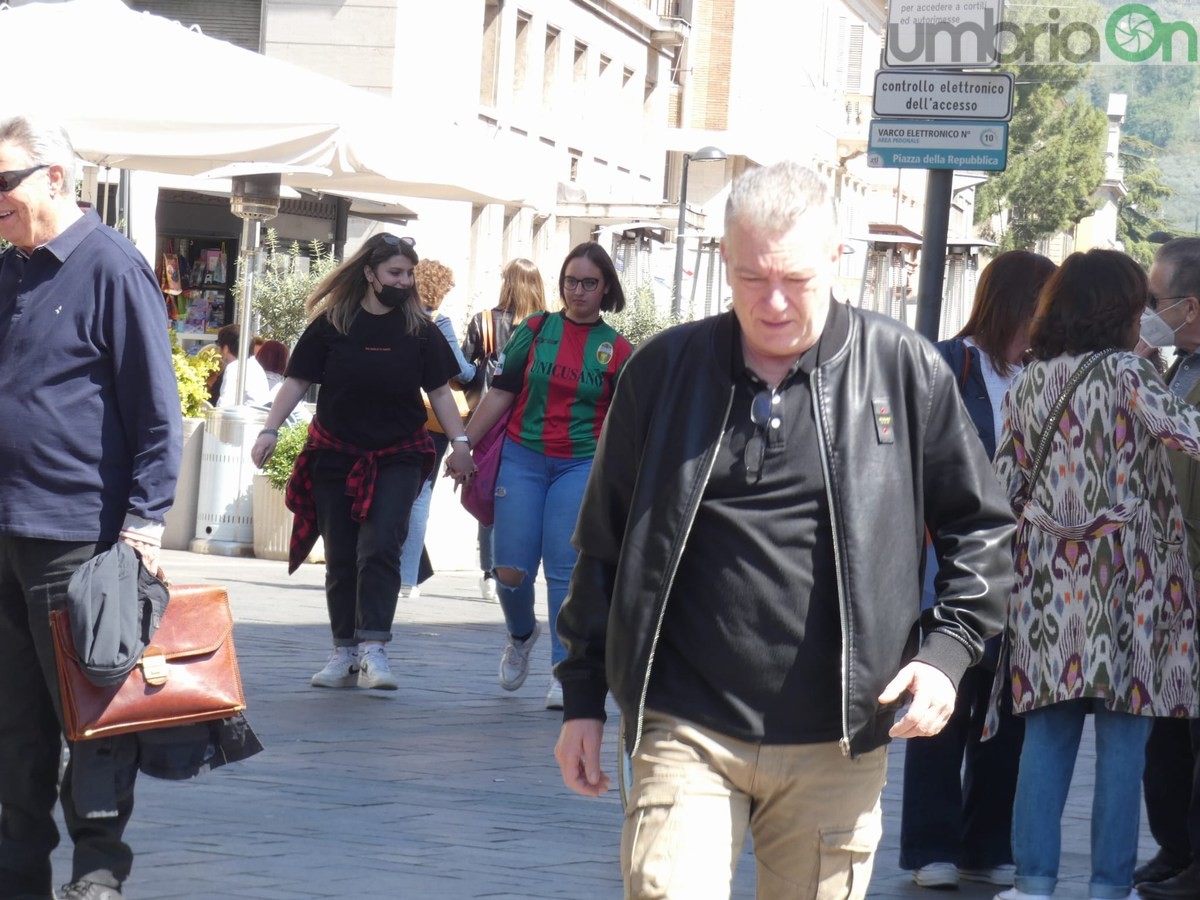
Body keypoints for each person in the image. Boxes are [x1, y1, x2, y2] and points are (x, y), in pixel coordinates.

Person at [551, 161, 1016, 900]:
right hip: (685, 726)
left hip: (840, 738)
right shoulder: (662, 372)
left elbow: (981, 528)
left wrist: (946, 654)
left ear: (838, 258)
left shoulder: (903, 369)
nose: (771, 304)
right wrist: (582, 698)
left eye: (794, 280)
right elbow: (604, 542)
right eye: (749, 278)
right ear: (725, 264)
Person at [0, 117, 182, 900]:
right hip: (7, 532)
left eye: (2, 182)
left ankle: (97, 878)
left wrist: (144, 525)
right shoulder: (11, 269)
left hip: (80, 539)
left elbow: (157, 410)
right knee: (15, 727)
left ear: (54, 178)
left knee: (95, 719)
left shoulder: (113, 267)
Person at [988, 248, 1200, 900]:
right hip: (1131, 593)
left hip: (1048, 590)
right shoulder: (1130, 376)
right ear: (1119, 308)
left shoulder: (1028, 382)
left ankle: (1033, 883)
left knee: (1045, 744)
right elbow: (1191, 435)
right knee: (1122, 754)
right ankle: (1108, 886)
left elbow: (1003, 487)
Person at [250, 233, 472, 693]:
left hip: (400, 453)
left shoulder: (421, 330)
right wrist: (270, 429)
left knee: (381, 543)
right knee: (343, 552)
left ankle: (374, 648)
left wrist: (462, 443)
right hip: (335, 451)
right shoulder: (332, 324)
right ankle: (343, 649)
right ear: (370, 274)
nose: (404, 282)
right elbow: (297, 381)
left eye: (409, 274)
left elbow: (439, 393)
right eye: (395, 273)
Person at [900, 251, 1054, 889]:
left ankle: (985, 842)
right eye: (1043, 306)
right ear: (1016, 304)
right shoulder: (943, 363)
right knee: (944, 690)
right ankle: (930, 845)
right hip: (949, 558)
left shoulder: (1049, 374)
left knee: (1009, 705)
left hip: (1030, 565)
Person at [453, 243, 632, 712]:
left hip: (580, 463)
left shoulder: (618, 350)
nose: (577, 291)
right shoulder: (534, 330)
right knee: (509, 569)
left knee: (563, 572)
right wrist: (463, 445)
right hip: (522, 457)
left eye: (589, 283)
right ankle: (521, 634)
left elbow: (622, 421)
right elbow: (502, 393)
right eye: (571, 281)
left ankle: (564, 673)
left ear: (606, 287)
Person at [1126, 238, 1200, 900]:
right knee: (1169, 732)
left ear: (1191, 307)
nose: (1146, 312)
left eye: (1155, 301)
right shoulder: (1177, 364)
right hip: (1167, 580)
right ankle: (1174, 848)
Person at [459, 258, 547, 601]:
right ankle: (516, 566)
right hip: (529, 420)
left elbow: (464, 370)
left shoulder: (485, 321)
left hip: (487, 417)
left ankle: (490, 569)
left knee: (489, 490)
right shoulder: (548, 327)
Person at [398, 258, 476, 598]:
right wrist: (477, 369)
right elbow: (459, 370)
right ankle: (407, 579)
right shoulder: (437, 321)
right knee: (420, 496)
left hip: (397, 414)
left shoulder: (394, 316)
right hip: (433, 420)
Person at [214, 323, 271, 407]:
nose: (218, 350)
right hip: (258, 417)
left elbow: (223, 406)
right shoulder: (255, 366)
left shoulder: (235, 367)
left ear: (225, 348)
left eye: (218, 345)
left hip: (243, 418)